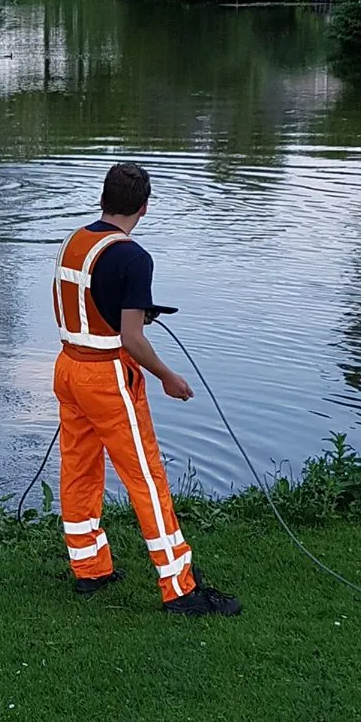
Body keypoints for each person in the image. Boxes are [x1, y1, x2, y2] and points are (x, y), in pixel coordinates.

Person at [52, 162, 241, 616]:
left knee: (79, 468)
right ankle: (179, 587)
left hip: (68, 367)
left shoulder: (74, 241)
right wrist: (167, 377)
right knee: (147, 478)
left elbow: (88, 302)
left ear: (103, 199)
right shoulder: (135, 257)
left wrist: (130, 310)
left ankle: (89, 569)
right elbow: (132, 339)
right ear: (144, 207)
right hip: (107, 378)